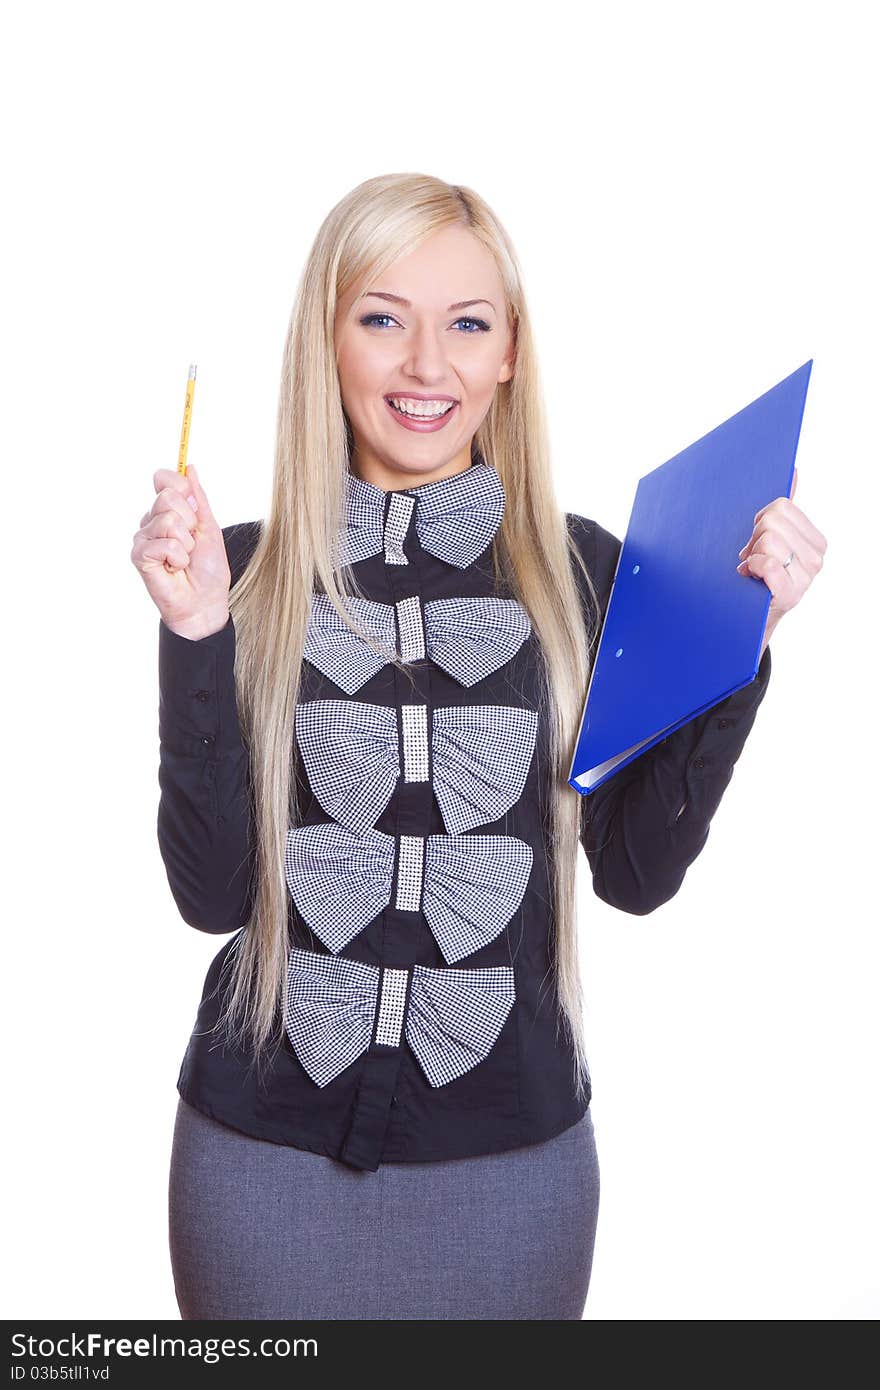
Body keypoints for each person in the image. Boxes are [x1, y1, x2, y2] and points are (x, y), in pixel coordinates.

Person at [131, 173, 825, 1321]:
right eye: (380, 317)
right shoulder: (235, 569)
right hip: (259, 1164)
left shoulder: (590, 571)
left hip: (515, 1177)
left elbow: (637, 875)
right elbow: (211, 899)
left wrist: (739, 646)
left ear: (510, 352)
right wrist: (199, 631)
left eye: (466, 323)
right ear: (326, 339)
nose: (425, 366)